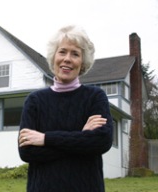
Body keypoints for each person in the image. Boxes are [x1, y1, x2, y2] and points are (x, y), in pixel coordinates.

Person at [18, 25, 113, 192]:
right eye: (62, 52)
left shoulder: (95, 97)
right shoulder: (35, 101)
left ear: (82, 62)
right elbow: (27, 152)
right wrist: (82, 137)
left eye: (75, 54)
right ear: (54, 56)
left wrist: (46, 139)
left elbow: (102, 141)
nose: (67, 59)